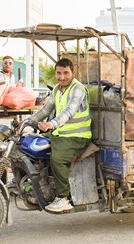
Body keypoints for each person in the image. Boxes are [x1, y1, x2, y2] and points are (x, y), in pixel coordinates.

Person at [27, 58, 92, 213]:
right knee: (30, 145)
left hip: (77, 136)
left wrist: (51, 124)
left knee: (57, 159)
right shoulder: (56, 89)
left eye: (66, 73)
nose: (62, 77)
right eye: (59, 73)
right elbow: (46, 110)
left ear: (73, 73)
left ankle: (63, 198)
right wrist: (28, 121)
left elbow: (69, 111)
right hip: (60, 133)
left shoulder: (78, 89)